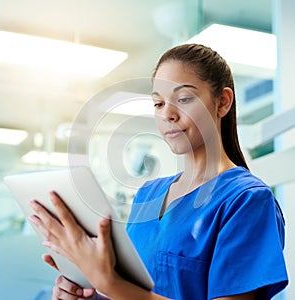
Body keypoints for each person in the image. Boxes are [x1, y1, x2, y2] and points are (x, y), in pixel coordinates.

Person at [29, 44, 288, 300]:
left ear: (223, 102)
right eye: (158, 104)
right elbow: (134, 293)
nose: (168, 114)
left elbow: (126, 291)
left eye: (183, 99)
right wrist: (93, 296)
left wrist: (109, 283)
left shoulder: (246, 200)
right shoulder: (147, 196)